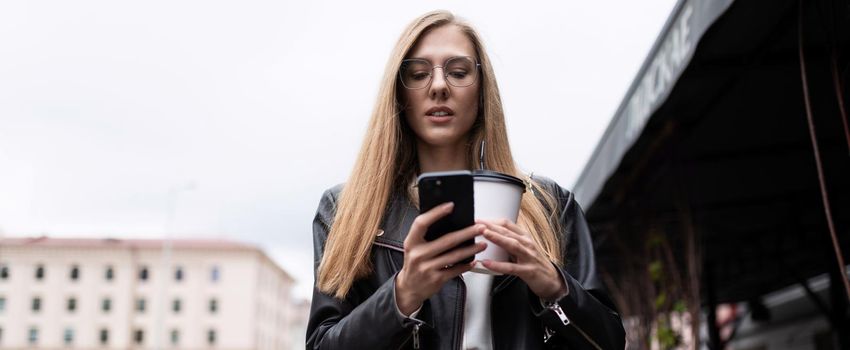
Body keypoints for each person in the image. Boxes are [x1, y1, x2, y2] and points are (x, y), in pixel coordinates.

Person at [307, 10, 626, 350]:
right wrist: (402, 294)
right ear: (399, 94)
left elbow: (609, 342)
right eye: (418, 73)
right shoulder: (346, 209)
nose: (439, 86)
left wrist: (553, 285)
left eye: (458, 72)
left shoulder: (548, 204)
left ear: (482, 92)